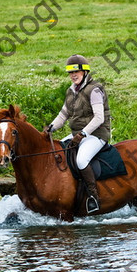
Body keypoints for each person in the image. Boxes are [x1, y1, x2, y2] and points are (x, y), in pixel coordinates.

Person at [44, 54, 111, 213]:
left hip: (97, 134)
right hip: (78, 134)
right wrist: (50, 128)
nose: (73, 75)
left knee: (81, 160)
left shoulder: (94, 90)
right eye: (71, 73)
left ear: (85, 72)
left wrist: (82, 134)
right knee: (60, 150)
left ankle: (93, 197)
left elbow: (99, 118)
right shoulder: (71, 91)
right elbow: (63, 115)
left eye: (77, 72)